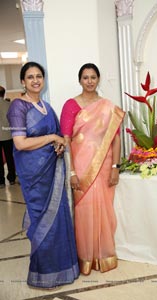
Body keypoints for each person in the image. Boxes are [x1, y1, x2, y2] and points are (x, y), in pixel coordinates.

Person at [7, 61, 79, 289]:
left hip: (52, 172)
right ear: (22, 81)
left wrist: (58, 145)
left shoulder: (47, 107)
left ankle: (64, 269)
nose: (36, 80)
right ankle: (44, 273)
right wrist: (52, 139)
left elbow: (58, 136)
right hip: (34, 177)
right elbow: (19, 143)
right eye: (30, 77)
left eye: (39, 76)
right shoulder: (18, 106)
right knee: (41, 222)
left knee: (58, 218)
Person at [60, 63, 125, 275]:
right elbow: (66, 141)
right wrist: (71, 172)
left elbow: (115, 139)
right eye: (85, 77)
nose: (89, 81)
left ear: (98, 79)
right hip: (80, 166)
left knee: (104, 209)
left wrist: (115, 167)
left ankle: (104, 255)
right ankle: (85, 258)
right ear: (80, 80)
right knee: (84, 210)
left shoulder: (107, 106)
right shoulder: (71, 105)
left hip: (105, 166)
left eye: (93, 77)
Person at [0, 86, 16, 188]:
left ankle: (1, 181)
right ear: (3, 94)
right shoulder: (9, 105)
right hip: (8, 135)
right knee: (10, 158)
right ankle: (11, 179)